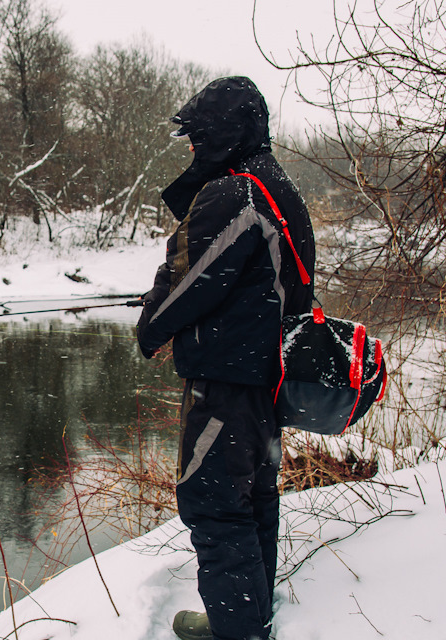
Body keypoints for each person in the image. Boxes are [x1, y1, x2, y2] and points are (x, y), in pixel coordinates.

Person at [136, 76, 316, 640]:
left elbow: (188, 282)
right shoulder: (277, 186)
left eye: (200, 135)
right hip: (263, 380)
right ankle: (248, 618)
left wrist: (149, 326)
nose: (193, 147)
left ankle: (236, 629)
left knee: (213, 502)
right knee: (253, 495)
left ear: (226, 133)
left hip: (227, 380)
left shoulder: (236, 192)